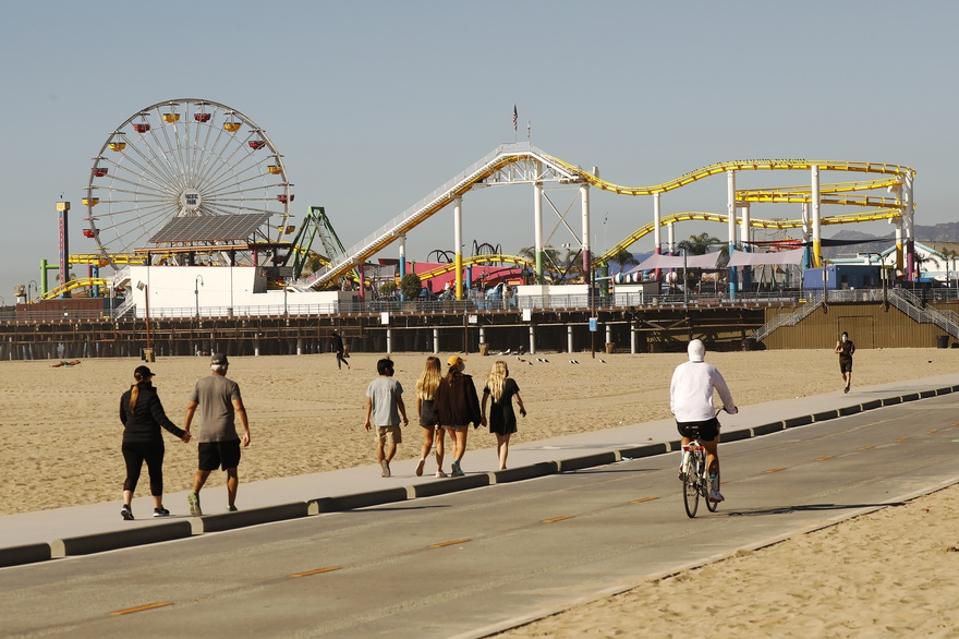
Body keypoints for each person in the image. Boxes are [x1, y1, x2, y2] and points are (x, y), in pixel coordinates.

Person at [669, 339, 737, 503]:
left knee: (686, 435)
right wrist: (731, 408)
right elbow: (724, 392)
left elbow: (672, 392)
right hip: (705, 418)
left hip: (682, 417)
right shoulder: (710, 369)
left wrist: (675, 410)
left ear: (687, 353)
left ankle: (684, 463)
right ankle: (714, 491)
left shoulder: (679, 369)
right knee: (711, 451)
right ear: (704, 352)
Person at [118, 365, 190, 520]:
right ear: (147, 378)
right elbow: (162, 419)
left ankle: (126, 505)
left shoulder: (125, 396)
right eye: (150, 377)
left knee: (131, 475)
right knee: (155, 473)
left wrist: (133, 430)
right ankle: (158, 508)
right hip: (151, 441)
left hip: (129, 441)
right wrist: (181, 434)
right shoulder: (151, 396)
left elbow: (123, 419)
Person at [183, 353, 251, 516]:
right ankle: (231, 505)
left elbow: (190, 408)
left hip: (206, 435)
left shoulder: (200, 384)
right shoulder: (231, 385)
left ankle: (195, 493)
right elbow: (239, 408)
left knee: (203, 470)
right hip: (226, 434)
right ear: (225, 367)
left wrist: (186, 429)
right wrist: (246, 431)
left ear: (211, 367)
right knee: (232, 471)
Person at [434, 355, 482, 477]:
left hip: (447, 418)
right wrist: (477, 417)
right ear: (459, 365)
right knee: (461, 442)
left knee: (455, 442)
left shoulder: (443, 381)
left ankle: (456, 467)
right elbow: (472, 399)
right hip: (461, 416)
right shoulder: (466, 380)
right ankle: (456, 463)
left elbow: (438, 401)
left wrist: (438, 418)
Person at [364, 358, 408, 477]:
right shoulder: (394, 383)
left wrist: (367, 419)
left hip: (378, 419)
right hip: (392, 419)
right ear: (387, 369)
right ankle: (386, 461)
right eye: (392, 368)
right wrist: (404, 416)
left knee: (380, 444)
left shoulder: (372, 384)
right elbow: (400, 402)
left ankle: (383, 468)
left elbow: (369, 403)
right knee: (393, 444)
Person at [481, 360, 526, 470]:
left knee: (500, 442)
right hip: (507, 413)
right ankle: (502, 466)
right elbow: (517, 399)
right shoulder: (510, 382)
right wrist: (522, 408)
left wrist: (483, 414)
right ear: (504, 370)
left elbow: (484, 400)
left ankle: (502, 464)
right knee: (505, 442)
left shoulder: (489, 383)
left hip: (494, 413)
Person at [414, 356, 444, 477]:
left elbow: (418, 400)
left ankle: (422, 458)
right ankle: (439, 469)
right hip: (439, 413)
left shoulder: (421, 381)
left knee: (427, 441)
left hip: (426, 411)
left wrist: (419, 415)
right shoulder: (441, 381)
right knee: (439, 441)